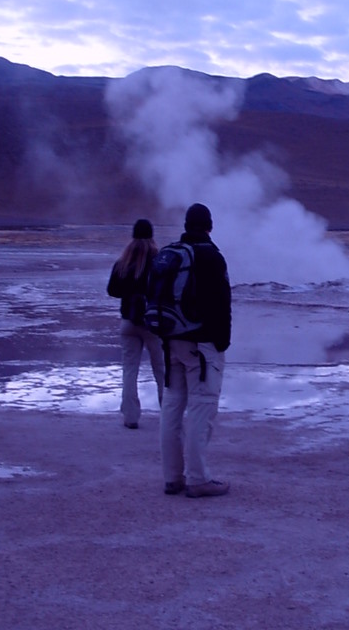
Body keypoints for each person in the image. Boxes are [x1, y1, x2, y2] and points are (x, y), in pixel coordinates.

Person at [160, 203, 231, 498]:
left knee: (172, 407)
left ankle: (172, 478)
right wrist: (222, 343)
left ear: (187, 225)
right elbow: (222, 303)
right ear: (209, 226)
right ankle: (198, 479)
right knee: (202, 408)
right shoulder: (211, 257)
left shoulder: (171, 253)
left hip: (171, 342)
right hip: (202, 347)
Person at [107, 219, 165, 429]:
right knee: (161, 370)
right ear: (151, 235)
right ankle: (168, 416)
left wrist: (130, 294)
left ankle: (130, 418)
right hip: (153, 324)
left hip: (128, 323)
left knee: (129, 371)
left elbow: (112, 290)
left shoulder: (123, 262)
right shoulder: (159, 261)